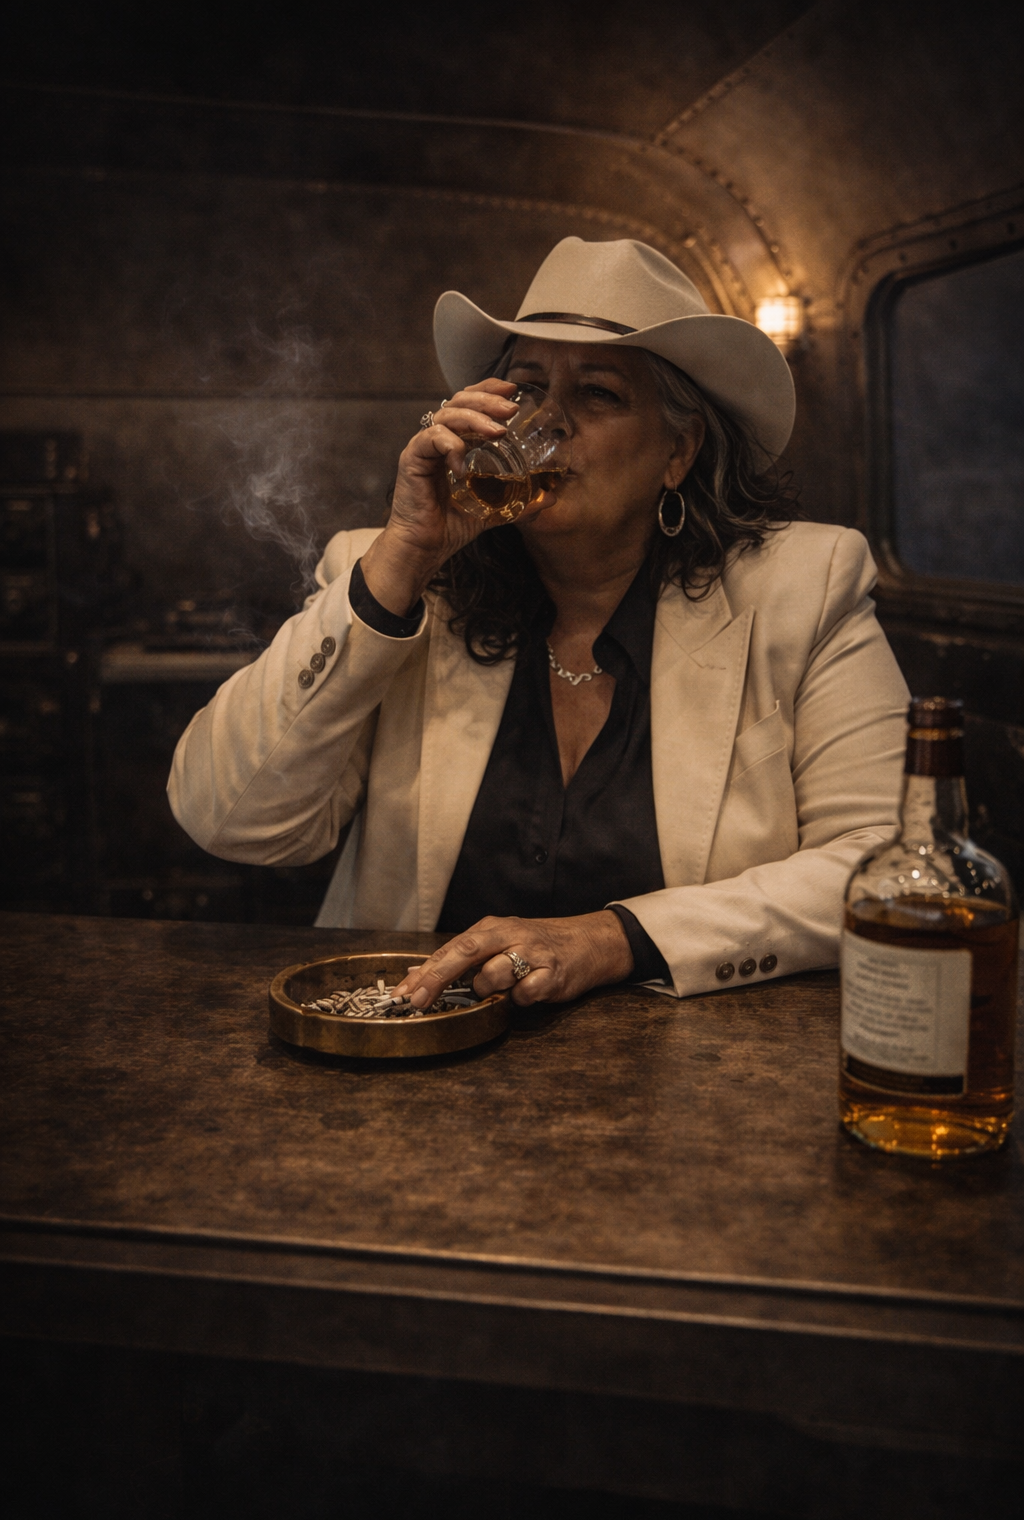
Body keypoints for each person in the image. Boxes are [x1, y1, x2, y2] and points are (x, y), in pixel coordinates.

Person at [168, 237, 908, 1010]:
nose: (547, 420)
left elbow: (887, 866)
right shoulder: (397, 581)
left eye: (598, 394)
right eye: (525, 388)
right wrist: (404, 556)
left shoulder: (803, 587)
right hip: (414, 1051)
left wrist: (616, 938)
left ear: (678, 451)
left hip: (692, 1061)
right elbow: (226, 817)